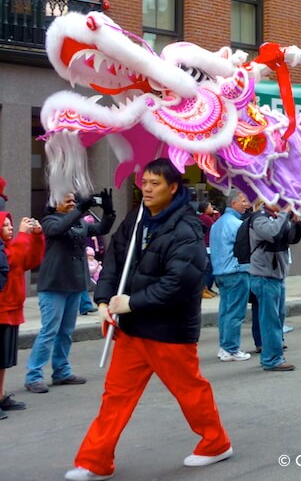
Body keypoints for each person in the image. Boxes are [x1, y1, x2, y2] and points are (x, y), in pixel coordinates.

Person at [65, 158, 232, 480]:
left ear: (173, 187)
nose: (148, 188)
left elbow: (180, 282)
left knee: (190, 392)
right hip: (132, 330)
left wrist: (132, 302)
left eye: (156, 183)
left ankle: (216, 442)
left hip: (168, 331)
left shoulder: (187, 229)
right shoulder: (136, 218)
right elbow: (114, 260)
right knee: (115, 396)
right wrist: (103, 299)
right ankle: (95, 460)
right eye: (145, 182)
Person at [25, 190, 114, 394]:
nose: (73, 202)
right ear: (55, 203)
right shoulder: (49, 220)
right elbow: (58, 229)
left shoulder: (79, 221)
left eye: (75, 200)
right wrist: (81, 209)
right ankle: (33, 375)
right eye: (69, 200)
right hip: (54, 284)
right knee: (50, 330)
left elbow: (101, 228)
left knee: (65, 332)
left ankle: (62, 371)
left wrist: (108, 210)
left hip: (74, 283)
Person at [0, 212, 43, 419]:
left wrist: (35, 236)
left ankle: (0, 396)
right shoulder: (5, 250)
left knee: (4, 360)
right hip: (2, 308)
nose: (10, 228)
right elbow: (12, 260)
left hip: (12, 308)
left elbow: (30, 260)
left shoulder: (11, 246)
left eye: (10, 225)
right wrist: (23, 235)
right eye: (5, 225)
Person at [249, 203, 301, 370]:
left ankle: (273, 355)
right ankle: (272, 359)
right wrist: (285, 212)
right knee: (270, 321)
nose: (282, 202)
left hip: (277, 277)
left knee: (278, 319)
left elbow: (291, 238)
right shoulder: (259, 218)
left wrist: (296, 221)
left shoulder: (276, 218)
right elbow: (273, 233)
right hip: (264, 277)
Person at [210, 190, 252, 362]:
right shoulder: (236, 224)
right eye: (243, 201)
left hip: (220, 273)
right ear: (233, 203)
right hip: (236, 271)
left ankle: (225, 347)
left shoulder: (217, 224)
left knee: (226, 311)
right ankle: (231, 349)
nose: (246, 204)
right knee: (235, 312)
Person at [198, 201, 220, 298]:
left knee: (210, 268)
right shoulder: (205, 218)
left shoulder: (207, 217)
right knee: (209, 269)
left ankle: (208, 288)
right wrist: (218, 214)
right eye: (210, 206)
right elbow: (216, 226)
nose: (212, 208)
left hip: (209, 244)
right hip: (207, 245)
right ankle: (205, 288)